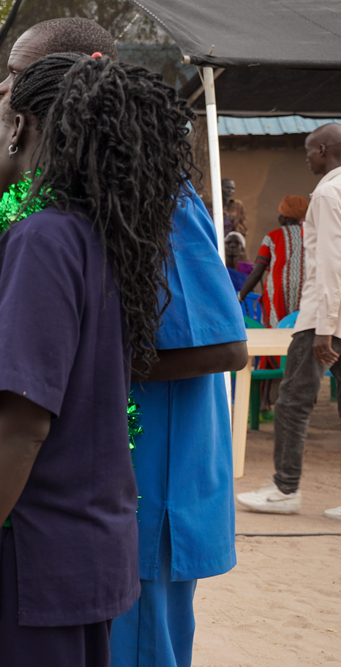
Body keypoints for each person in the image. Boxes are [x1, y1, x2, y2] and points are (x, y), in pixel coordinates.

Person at [0, 52, 196, 667]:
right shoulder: (93, 234)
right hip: (78, 554)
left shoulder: (43, 238)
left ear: (21, 127)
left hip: (29, 560)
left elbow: (20, 428)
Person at [109, 183, 248, 667]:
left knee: (139, 644)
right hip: (118, 481)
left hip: (152, 484)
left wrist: (91, 362)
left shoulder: (160, 201)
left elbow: (224, 347)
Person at [237, 123, 341, 519]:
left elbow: (331, 265)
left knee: (293, 401)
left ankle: (284, 489)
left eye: (309, 150)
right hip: (334, 315)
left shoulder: (329, 193)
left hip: (322, 319)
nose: (306, 157)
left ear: (325, 150)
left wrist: (324, 329)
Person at [239, 195, 307, 328]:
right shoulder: (312, 234)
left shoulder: (273, 236)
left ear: (285, 217)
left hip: (278, 292)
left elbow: (257, 272)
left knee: (277, 330)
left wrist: (240, 296)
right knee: (301, 327)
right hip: (306, 290)